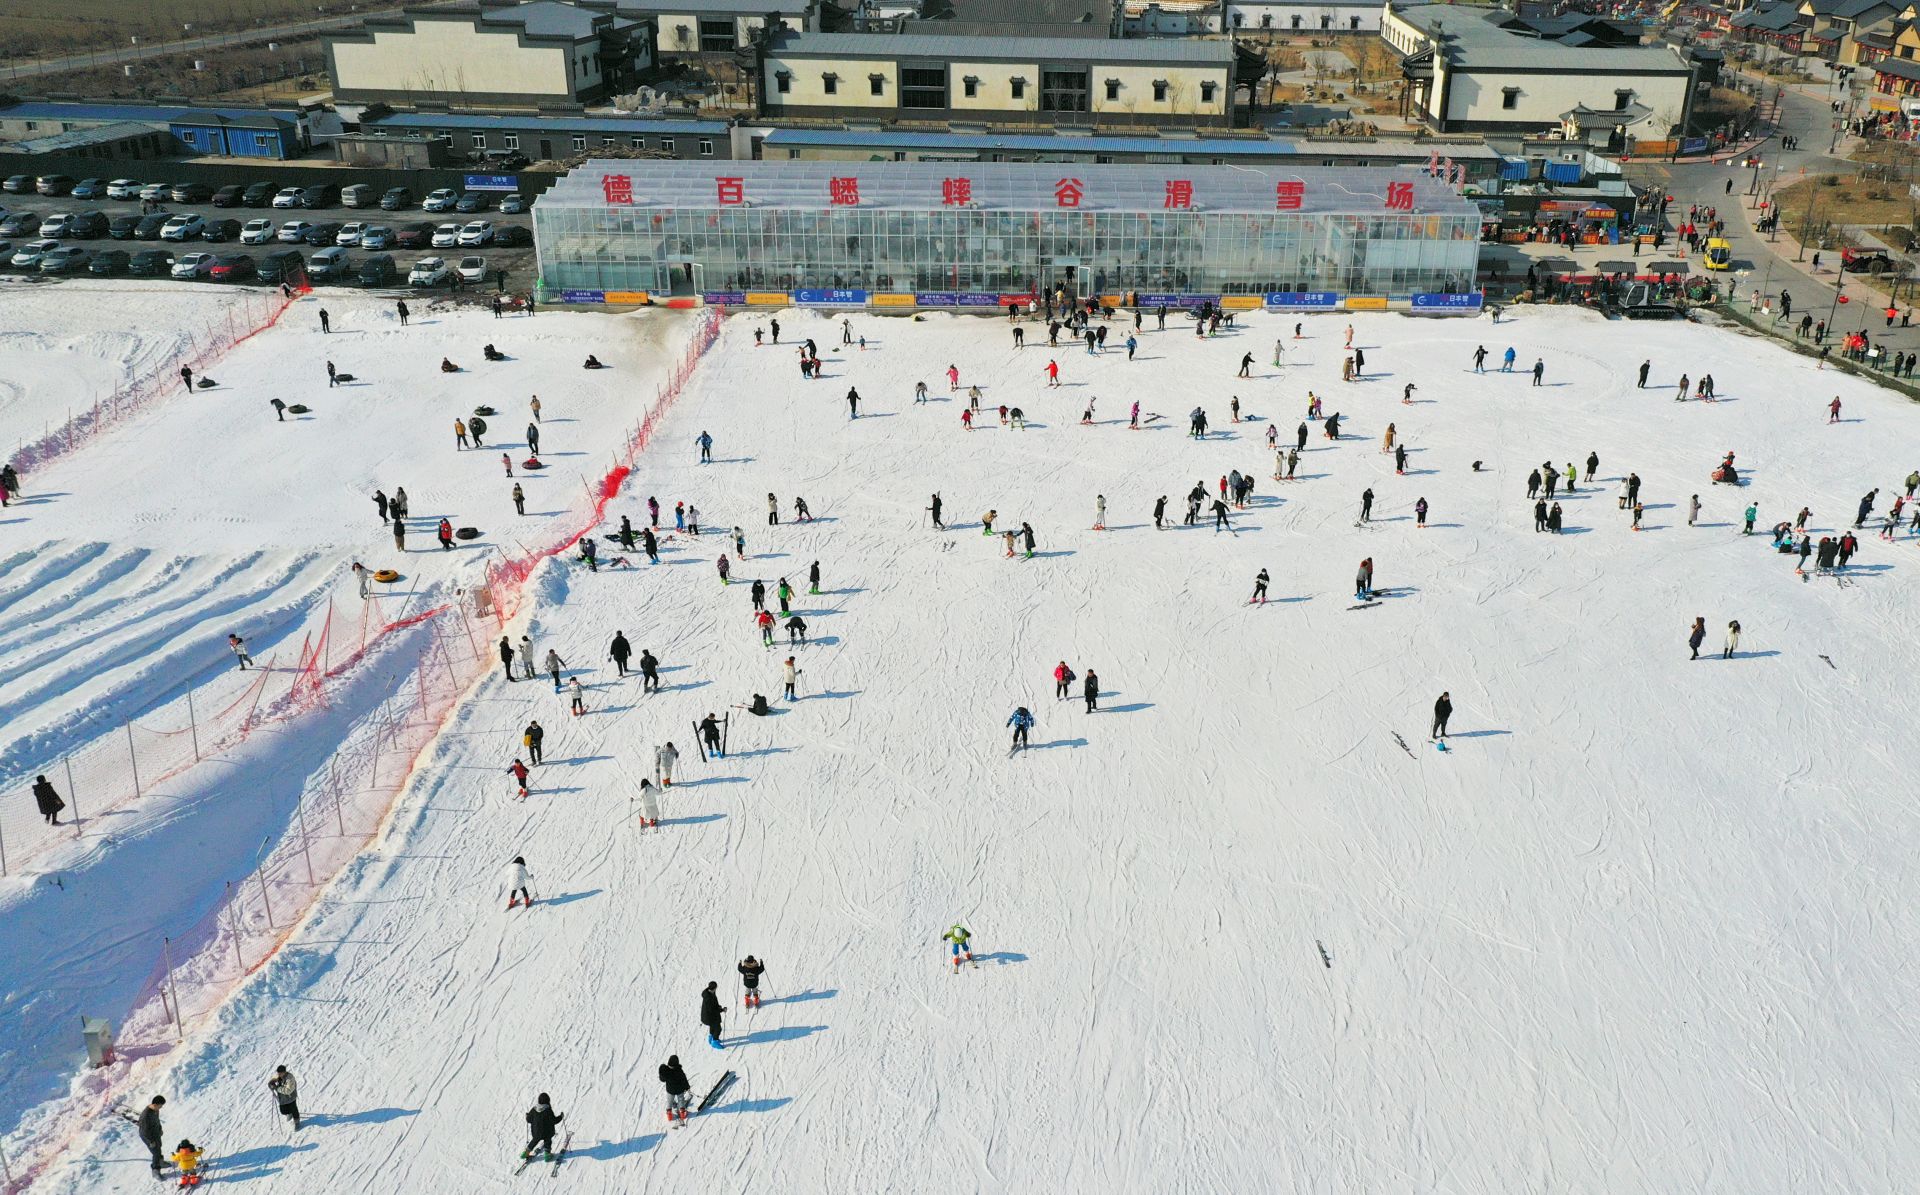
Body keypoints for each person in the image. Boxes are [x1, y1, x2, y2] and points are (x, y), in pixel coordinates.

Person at [523, 1094, 563, 1162]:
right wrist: (561, 1116)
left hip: (536, 1132)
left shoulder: (534, 1109)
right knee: (547, 1140)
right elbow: (554, 1121)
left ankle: (525, 1153)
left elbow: (528, 1120)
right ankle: (547, 1155)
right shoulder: (548, 1110)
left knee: (534, 1140)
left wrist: (527, 1116)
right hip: (547, 1133)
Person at [135, 1095, 167, 1177]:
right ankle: (155, 1171)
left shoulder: (156, 1110)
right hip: (147, 1136)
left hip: (155, 1132)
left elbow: (157, 1121)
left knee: (159, 1145)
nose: (161, 1108)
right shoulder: (146, 1116)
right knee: (155, 1152)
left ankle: (161, 1162)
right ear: (155, 1104)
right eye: (160, 1106)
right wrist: (151, 1141)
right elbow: (144, 1131)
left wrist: (160, 1129)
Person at [660, 1056, 693, 1125]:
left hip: (670, 1090)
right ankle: (682, 1113)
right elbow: (684, 1079)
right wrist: (687, 1087)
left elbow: (662, 1079)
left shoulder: (666, 1071)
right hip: (679, 1090)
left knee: (669, 1101)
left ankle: (669, 1114)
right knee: (681, 1100)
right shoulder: (679, 1070)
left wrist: (662, 1071)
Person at [269, 1065, 300, 1130]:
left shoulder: (290, 1078)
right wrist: (271, 1082)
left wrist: (276, 1088)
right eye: (278, 1073)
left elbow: (288, 1091)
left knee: (294, 1109)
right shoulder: (279, 1076)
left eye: (280, 1073)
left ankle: (297, 1122)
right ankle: (289, 1113)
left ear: (284, 1072)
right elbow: (274, 1079)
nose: (278, 1075)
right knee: (283, 1111)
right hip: (283, 1098)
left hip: (291, 1097)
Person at [701, 980, 727, 1049]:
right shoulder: (708, 998)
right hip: (709, 1017)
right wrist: (722, 1010)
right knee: (718, 1029)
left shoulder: (710, 992)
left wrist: (718, 1006)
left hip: (709, 1016)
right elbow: (712, 1010)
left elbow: (714, 1004)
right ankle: (715, 1042)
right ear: (714, 988)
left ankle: (711, 1038)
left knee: (713, 1027)